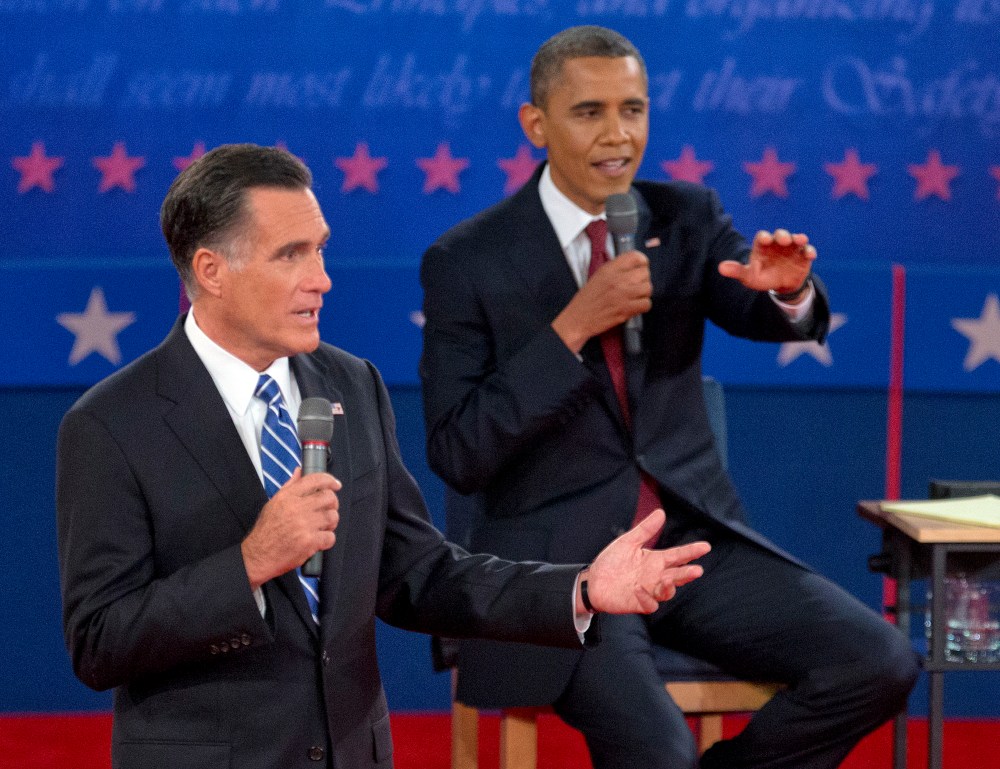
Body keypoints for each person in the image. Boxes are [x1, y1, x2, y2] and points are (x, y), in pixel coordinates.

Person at [55, 143, 714, 769]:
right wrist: (250, 564)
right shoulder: (113, 423)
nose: (323, 279)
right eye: (291, 255)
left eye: (321, 251)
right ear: (211, 271)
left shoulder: (350, 385)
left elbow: (419, 573)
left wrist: (579, 587)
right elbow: (99, 640)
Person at [419, 25, 919, 769]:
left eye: (634, 109)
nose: (618, 134)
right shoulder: (467, 259)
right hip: (568, 568)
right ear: (537, 124)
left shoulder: (684, 216)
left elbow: (757, 307)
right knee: (659, 754)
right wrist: (573, 328)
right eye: (590, 111)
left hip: (691, 544)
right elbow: (459, 450)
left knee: (879, 660)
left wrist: (787, 293)